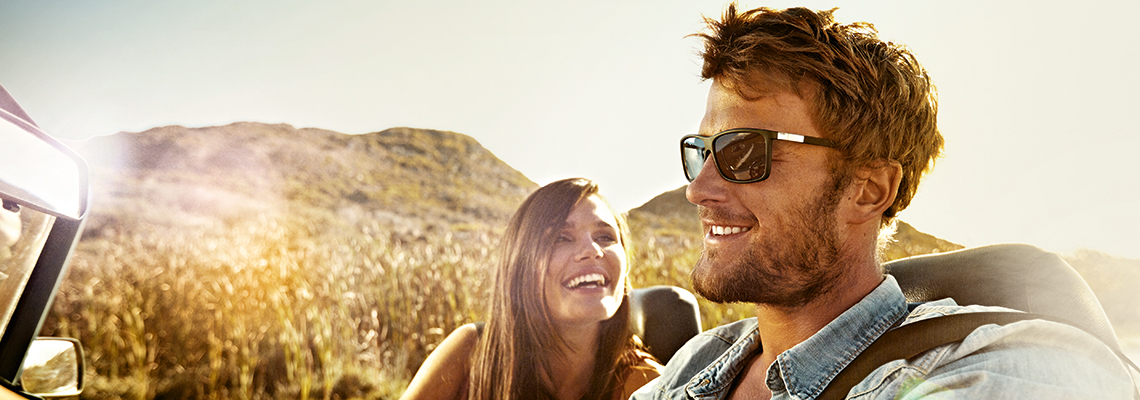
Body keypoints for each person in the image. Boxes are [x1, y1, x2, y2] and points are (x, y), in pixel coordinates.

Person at [632, 5, 1135, 400]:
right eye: (702, 152)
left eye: (744, 152)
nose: (698, 189)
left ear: (869, 189)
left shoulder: (998, 366)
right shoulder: (700, 359)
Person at [401, 178, 661, 400]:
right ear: (521, 265)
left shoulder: (649, 385)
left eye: (605, 237)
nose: (592, 250)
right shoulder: (472, 353)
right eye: (561, 238)